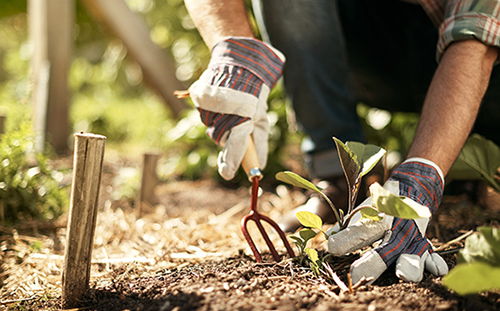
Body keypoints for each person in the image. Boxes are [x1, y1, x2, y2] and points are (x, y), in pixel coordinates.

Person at [183, 0, 499, 284]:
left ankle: (472, 171)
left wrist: (421, 176)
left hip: (484, 64)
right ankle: (339, 176)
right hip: (374, 45)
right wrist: (233, 48)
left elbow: (475, 46)